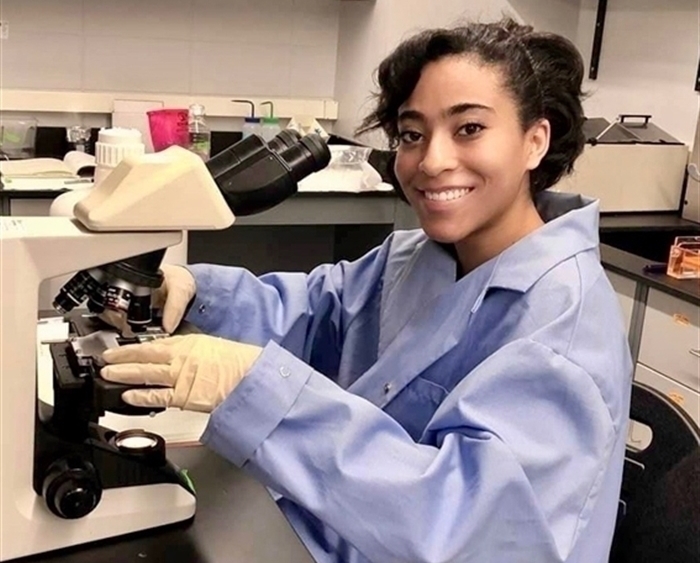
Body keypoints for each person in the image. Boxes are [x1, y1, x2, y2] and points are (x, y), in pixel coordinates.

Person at [101, 18, 633, 563]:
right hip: (331, 532)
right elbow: (316, 313)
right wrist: (192, 293)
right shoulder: (417, 256)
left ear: (534, 141)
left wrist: (253, 387)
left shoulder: (562, 331)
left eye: (469, 128)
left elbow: (466, 526)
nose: (431, 161)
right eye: (411, 134)